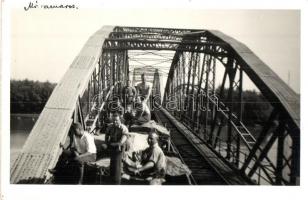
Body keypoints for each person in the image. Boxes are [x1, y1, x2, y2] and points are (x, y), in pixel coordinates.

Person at [105, 113, 129, 184]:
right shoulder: (110, 127)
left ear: (120, 120)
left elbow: (121, 142)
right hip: (113, 145)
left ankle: (117, 182)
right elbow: (106, 136)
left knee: (117, 166)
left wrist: (111, 144)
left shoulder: (123, 128)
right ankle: (111, 179)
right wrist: (107, 143)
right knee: (112, 164)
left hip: (120, 147)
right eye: (114, 121)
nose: (115, 122)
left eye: (116, 120)